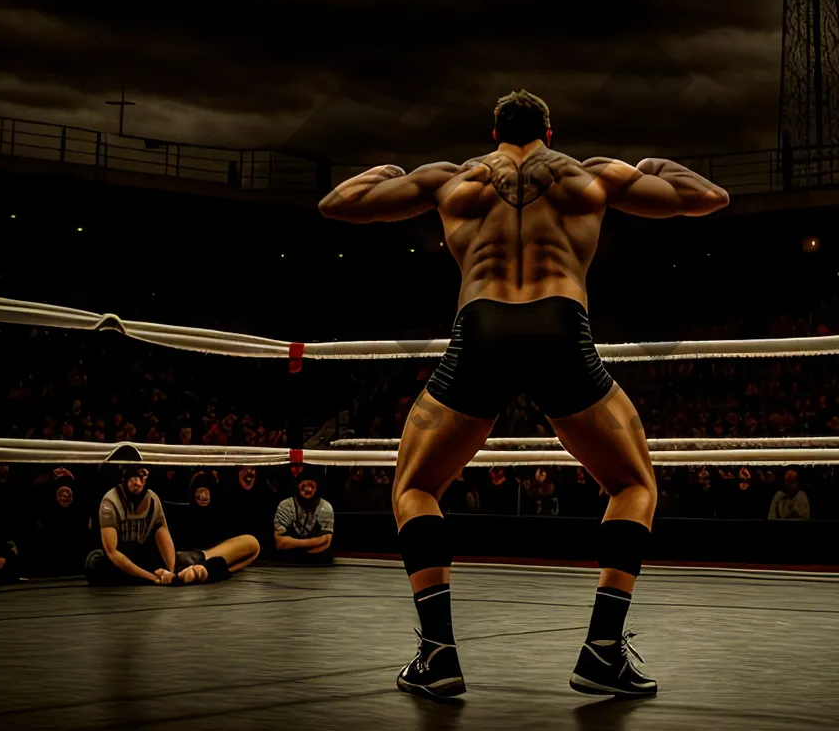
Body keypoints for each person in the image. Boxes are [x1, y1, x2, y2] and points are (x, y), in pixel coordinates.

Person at [319, 88, 729, 699]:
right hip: (560, 329)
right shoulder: (588, 177)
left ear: (493, 135)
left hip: (481, 328)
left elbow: (338, 205)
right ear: (550, 131)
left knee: (414, 486)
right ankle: (602, 650)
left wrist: (386, 170)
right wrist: (651, 167)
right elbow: (707, 198)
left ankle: (437, 655)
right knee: (635, 484)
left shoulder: (454, 181)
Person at [84, 446, 259, 585]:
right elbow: (113, 553)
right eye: (133, 476)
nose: (137, 482)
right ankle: (201, 573)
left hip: (163, 560)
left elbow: (163, 534)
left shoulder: (152, 500)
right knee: (95, 563)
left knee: (252, 545)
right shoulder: (110, 502)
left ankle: (200, 572)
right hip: (130, 566)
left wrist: (172, 572)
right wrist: (155, 578)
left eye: (142, 476)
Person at [273, 466, 335, 561]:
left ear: (317, 486)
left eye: (312, 483)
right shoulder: (286, 505)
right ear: (297, 484)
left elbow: (326, 543)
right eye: (304, 481)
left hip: (317, 565)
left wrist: (295, 547)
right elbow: (280, 543)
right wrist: (314, 543)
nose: (308, 488)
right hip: (288, 563)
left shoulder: (325, 507)